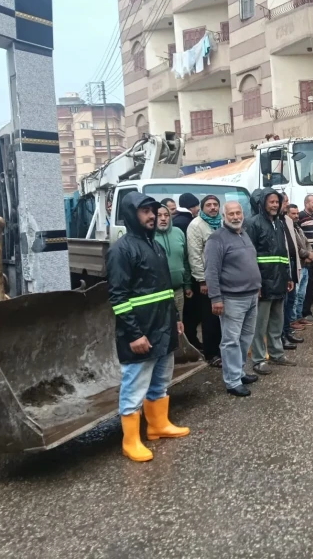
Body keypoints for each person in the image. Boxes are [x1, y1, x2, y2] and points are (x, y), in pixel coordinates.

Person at [106, 192, 189, 463]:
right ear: (132, 214)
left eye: (153, 211)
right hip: (141, 330)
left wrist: (175, 317)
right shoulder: (121, 250)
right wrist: (134, 334)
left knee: (160, 382)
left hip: (163, 325)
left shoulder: (155, 246)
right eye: (145, 211)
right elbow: (118, 297)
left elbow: (166, 288)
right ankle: (130, 441)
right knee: (134, 386)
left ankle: (158, 425)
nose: (152, 216)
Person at [204, 201, 262, 397]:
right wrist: (215, 298)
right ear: (224, 216)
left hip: (251, 295)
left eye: (238, 213)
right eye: (231, 214)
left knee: (245, 338)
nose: (236, 217)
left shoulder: (243, 234)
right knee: (231, 341)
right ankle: (232, 381)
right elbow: (211, 271)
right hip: (232, 299)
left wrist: (257, 286)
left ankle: (239, 371)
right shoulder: (216, 239)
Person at [246, 188, 296, 375]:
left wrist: (288, 276)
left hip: (279, 280)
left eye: (277, 202)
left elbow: (283, 254)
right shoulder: (253, 223)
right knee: (260, 325)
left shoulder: (279, 223)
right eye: (272, 202)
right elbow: (249, 256)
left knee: (276, 322)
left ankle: (276, 354)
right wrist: (256, 283)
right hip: (264, 282)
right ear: (263, 203)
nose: (275, 205)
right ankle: (259, 359)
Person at [186, 195, 223, 367]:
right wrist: (202, 280)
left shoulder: (222, 223)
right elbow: (194, 255)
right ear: (202, 208)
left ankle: (222, 350)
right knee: (210, 318)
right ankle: (211, 354)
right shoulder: (196, 225)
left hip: (223, 278)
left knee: (222, 317)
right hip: (206, 280)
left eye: (215, 204)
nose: (213, 207)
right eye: (209, 205)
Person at [154, 205, 192, 320]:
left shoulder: (178, 233)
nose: (163, 218)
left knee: (178, 325)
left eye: (166, 215)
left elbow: (185, 260)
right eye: (159, 215)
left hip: (178, 291)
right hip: (156, 294)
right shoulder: (148, 236)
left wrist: (187, 285)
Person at [279, 193, 303, 349]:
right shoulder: (274, 221)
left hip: (293, 263)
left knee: (291, 300)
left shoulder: (288, 220)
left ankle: (288, 331)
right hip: (284, 265)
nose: (286, 204)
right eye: (284, 201)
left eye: (287, 201)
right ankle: (281, 335)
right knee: (284, 302)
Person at [289, 204, 313, 329]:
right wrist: (307, 254)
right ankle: (293, 320)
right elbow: (295, 247)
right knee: (295, 295)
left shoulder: (298, 228)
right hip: (298, 266)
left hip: (305, 265)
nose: (296, 216)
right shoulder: (288, 230)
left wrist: (311, 253)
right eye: (293, 213)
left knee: (302, 294)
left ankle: (299, 317)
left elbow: (306, 242)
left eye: (297, 213)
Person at [298, 194, 313, 322]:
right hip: (305, 258)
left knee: (310, 286)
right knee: (304, 288)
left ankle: (307, 311)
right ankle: (303, 313)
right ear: (306, 203)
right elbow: (300, 239)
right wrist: (306, 255)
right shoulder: (301, 216)